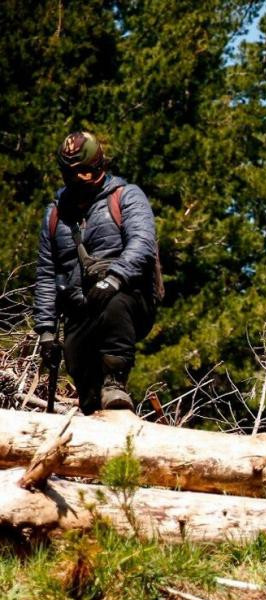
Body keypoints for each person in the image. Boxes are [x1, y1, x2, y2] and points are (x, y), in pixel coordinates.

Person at [35, 131, 160, 414]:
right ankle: (95, 411)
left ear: (99, 166)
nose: (81, 179)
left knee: (113, 303)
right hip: (79, 310)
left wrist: (114, 278)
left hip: (127, 299)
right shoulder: (54, 214)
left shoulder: (126, 196)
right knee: (87, 394)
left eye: (86, 172)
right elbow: (46, 273)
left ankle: (116, 382)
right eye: (73, 173)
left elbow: (142, 244)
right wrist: (45, 331)